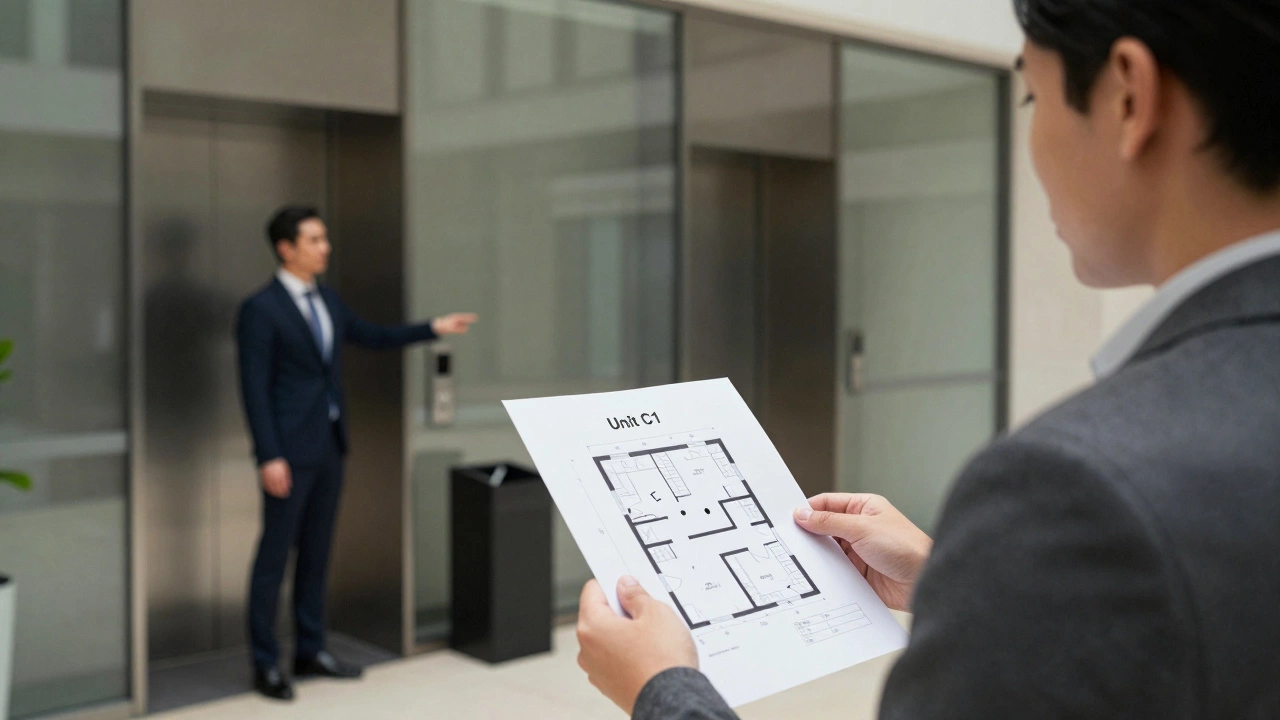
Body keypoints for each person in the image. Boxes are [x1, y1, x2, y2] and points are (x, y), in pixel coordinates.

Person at [574, 0, 1280, 718]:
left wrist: (662, 687)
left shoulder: (1076, 488)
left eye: (1032, 94)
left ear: (1130, 96)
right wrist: (968, 578)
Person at [236, 206, 477, 701]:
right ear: (286, 248)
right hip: (288, 453)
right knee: (274, 559)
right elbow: (254, 389)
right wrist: (268, 455)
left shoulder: (327, 298)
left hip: (329, 446)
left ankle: (310, 649)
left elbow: (374, 336)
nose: (325, 247)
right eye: (315, 239)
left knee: (318, 555)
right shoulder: (260, 309)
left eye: (325, 238)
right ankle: (265, 664)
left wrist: (433, 327)